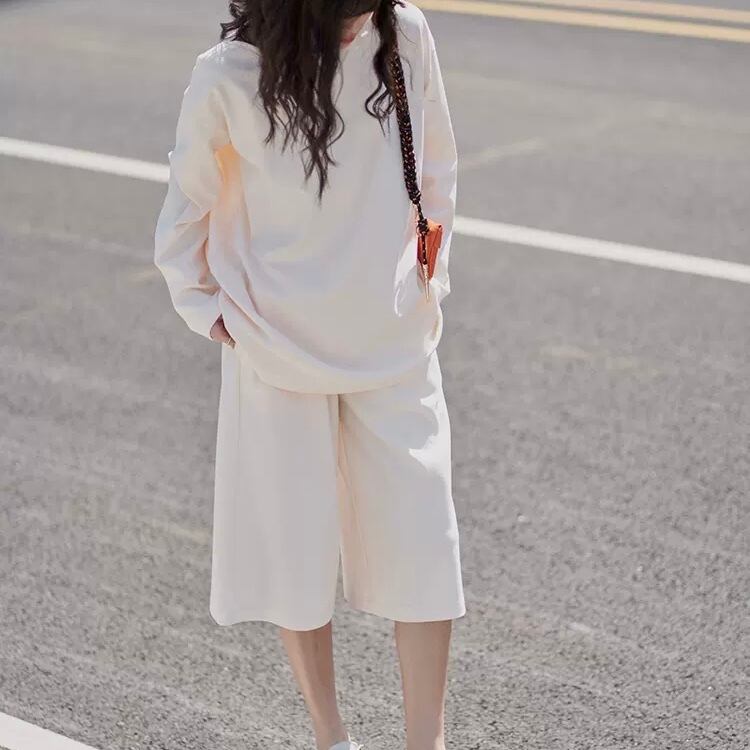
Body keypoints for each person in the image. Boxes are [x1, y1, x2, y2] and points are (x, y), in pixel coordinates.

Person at [153, 1, 465, 748]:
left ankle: (426, 742)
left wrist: (430, 282)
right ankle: (331, 737)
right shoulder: (229, 76)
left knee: (424, 547)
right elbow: (183, 216)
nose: (359, 25)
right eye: (344, 14)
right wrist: (212, 315)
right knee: (294, 554)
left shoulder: (404, 33)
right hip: (278, 348)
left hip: (393, 341)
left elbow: (438, 167)